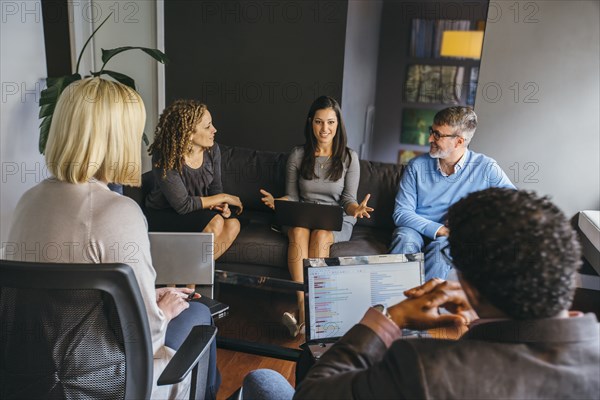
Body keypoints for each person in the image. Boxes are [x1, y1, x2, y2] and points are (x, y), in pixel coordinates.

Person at [242, 188, 600, 399]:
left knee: (263, 380)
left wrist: (392, 317)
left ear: (467, 283)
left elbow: (313, 395)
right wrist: (482, 307)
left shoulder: (423, 367)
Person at [5, 78, 219, 399]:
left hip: (33, 379)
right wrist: (162, 310)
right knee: (199, 313)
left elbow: (62, 297)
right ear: (117, 138)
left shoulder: (27, 201)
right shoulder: (118, 212)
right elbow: (145, 334)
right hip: (107, 382)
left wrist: (141, 294)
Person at [260, 96, 373, 337]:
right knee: (300, 231)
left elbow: (348, 200)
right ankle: (305, 308)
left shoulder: (348, 158)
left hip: (335, 217)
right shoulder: (298, 155)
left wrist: (356, 210)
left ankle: (308, 313)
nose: (325, 129)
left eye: (330, 122)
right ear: (311, 123)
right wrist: (277, 202)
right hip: (302, 214)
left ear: (338, 124)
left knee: (321, 235)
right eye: (319, 122)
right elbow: (291, 196)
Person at [390, 106, 515, 280]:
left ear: (459, 142)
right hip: (415, 230)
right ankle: (393, 301)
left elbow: (513, 205)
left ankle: (424, 304)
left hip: (450, 238)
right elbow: (401, 213)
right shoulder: (417, 166)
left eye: (438, 135)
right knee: (404, 237)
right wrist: (441, 229)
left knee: (444, 247)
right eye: (431, 131)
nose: (430, 138)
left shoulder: (486, 168)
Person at [145, 99, 242, 260]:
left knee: (233, 225)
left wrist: (220, 205)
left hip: (194, 211)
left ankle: (190, 281)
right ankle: (189, 282)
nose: (214, 130)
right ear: (189, 133)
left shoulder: (213, 150)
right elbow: (182, 205)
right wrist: (225, 197)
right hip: (164, 213)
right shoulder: (165, 156)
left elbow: (215, 188)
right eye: (207, 126)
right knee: (216, 223)